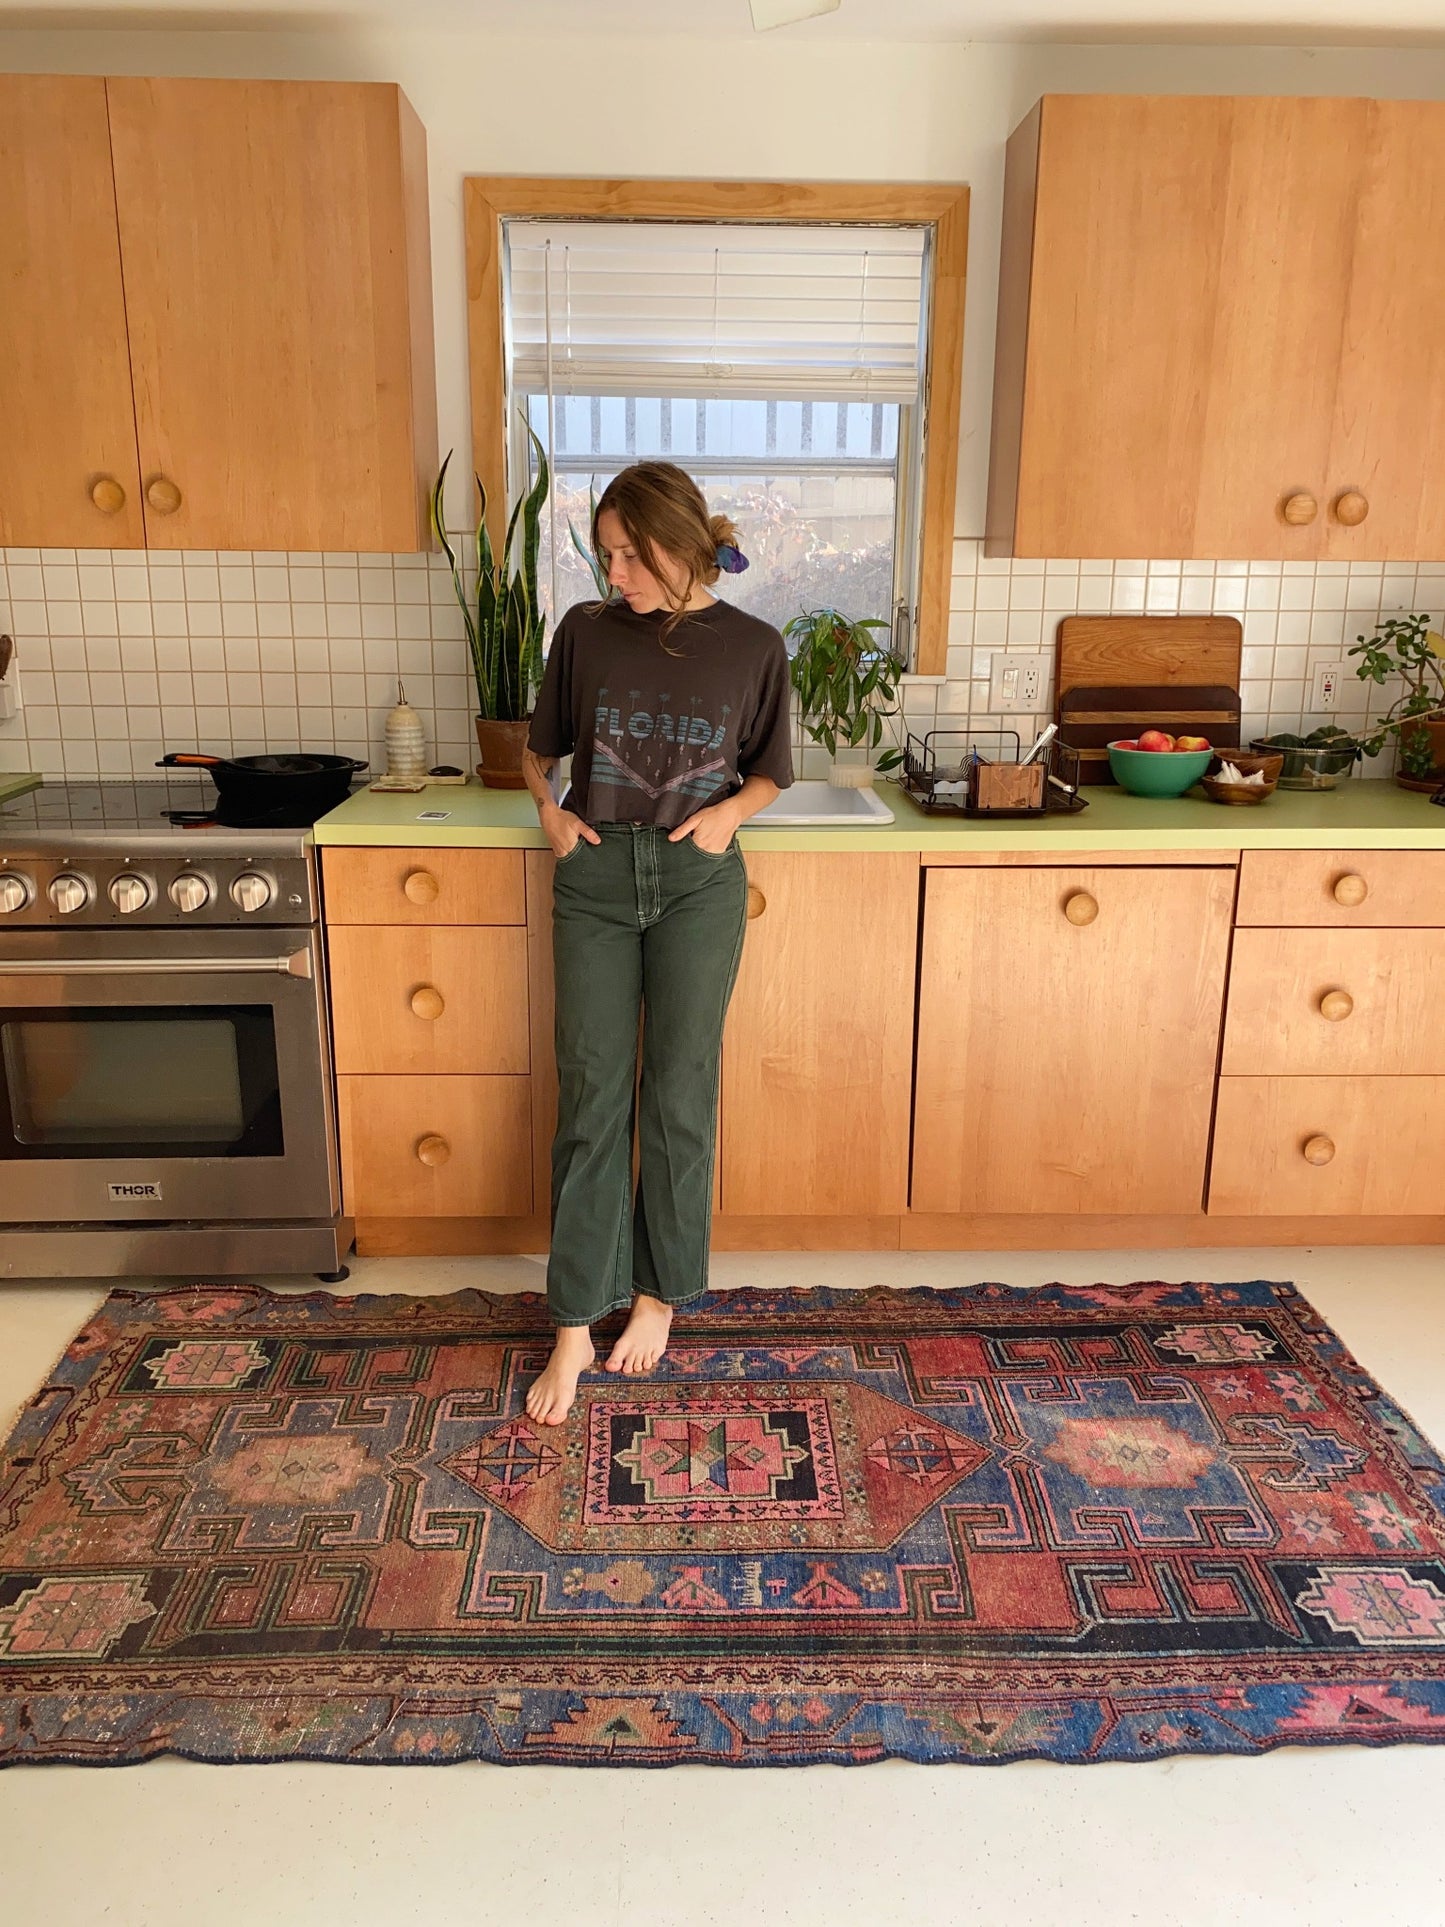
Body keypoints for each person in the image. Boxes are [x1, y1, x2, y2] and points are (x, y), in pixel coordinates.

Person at [520, 460, 794, 1424]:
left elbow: (770, 772)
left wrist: (731, 817)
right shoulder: (585, 633)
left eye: (632, 555)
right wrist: (549, 816)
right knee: (592, 1094)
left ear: (682, 545)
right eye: (605, 556)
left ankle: (657, 1295)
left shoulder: (753, 645)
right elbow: (536, 748)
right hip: (594, 879)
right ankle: (570, 1326)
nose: (616, 575)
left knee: (678, 1093)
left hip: (695, 883)